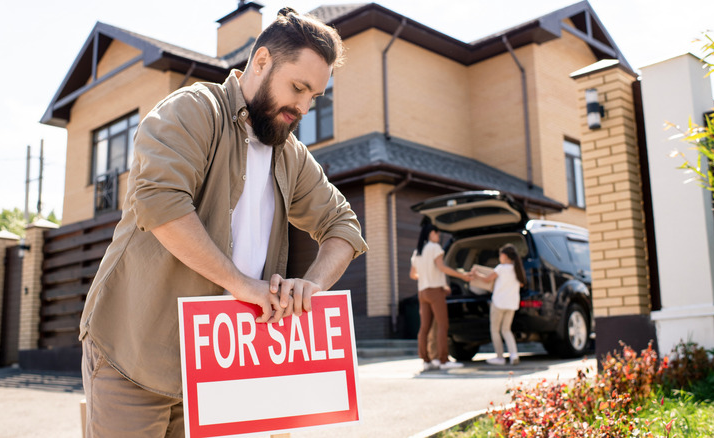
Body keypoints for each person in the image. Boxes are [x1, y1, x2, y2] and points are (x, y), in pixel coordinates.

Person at [78, 8, 368, 437]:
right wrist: (242, 284)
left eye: (315, 97)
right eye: (298, 88)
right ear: (263, 61)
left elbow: (343, 225)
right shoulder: (193, 110)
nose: (304, 106)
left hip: (216, 371)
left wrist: (314, 286)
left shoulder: (289, 155)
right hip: (135, 353)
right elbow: (159, 202)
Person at [409, 222, 471, 371]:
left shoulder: (417, 251)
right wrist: (462, 275)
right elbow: (442, 268)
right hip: (435, 291)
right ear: (432, 233)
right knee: (443, 325)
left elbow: (412, 275)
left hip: (422, 292)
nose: (438, 237)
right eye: (437, 234)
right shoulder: (435, 248)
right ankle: (443, 360)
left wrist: (425, 275)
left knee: (424, 327)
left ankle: (426, 360)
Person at [471, 244, 525, 365]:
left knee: (495, 330)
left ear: (505, 256)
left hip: (499, 303)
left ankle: (500, 357)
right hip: (511, 304)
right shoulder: (517, 270)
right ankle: (513, 354)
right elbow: (521, 285)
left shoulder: (501, 268)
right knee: (506, 330)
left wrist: (475, 275)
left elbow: (487, 279)